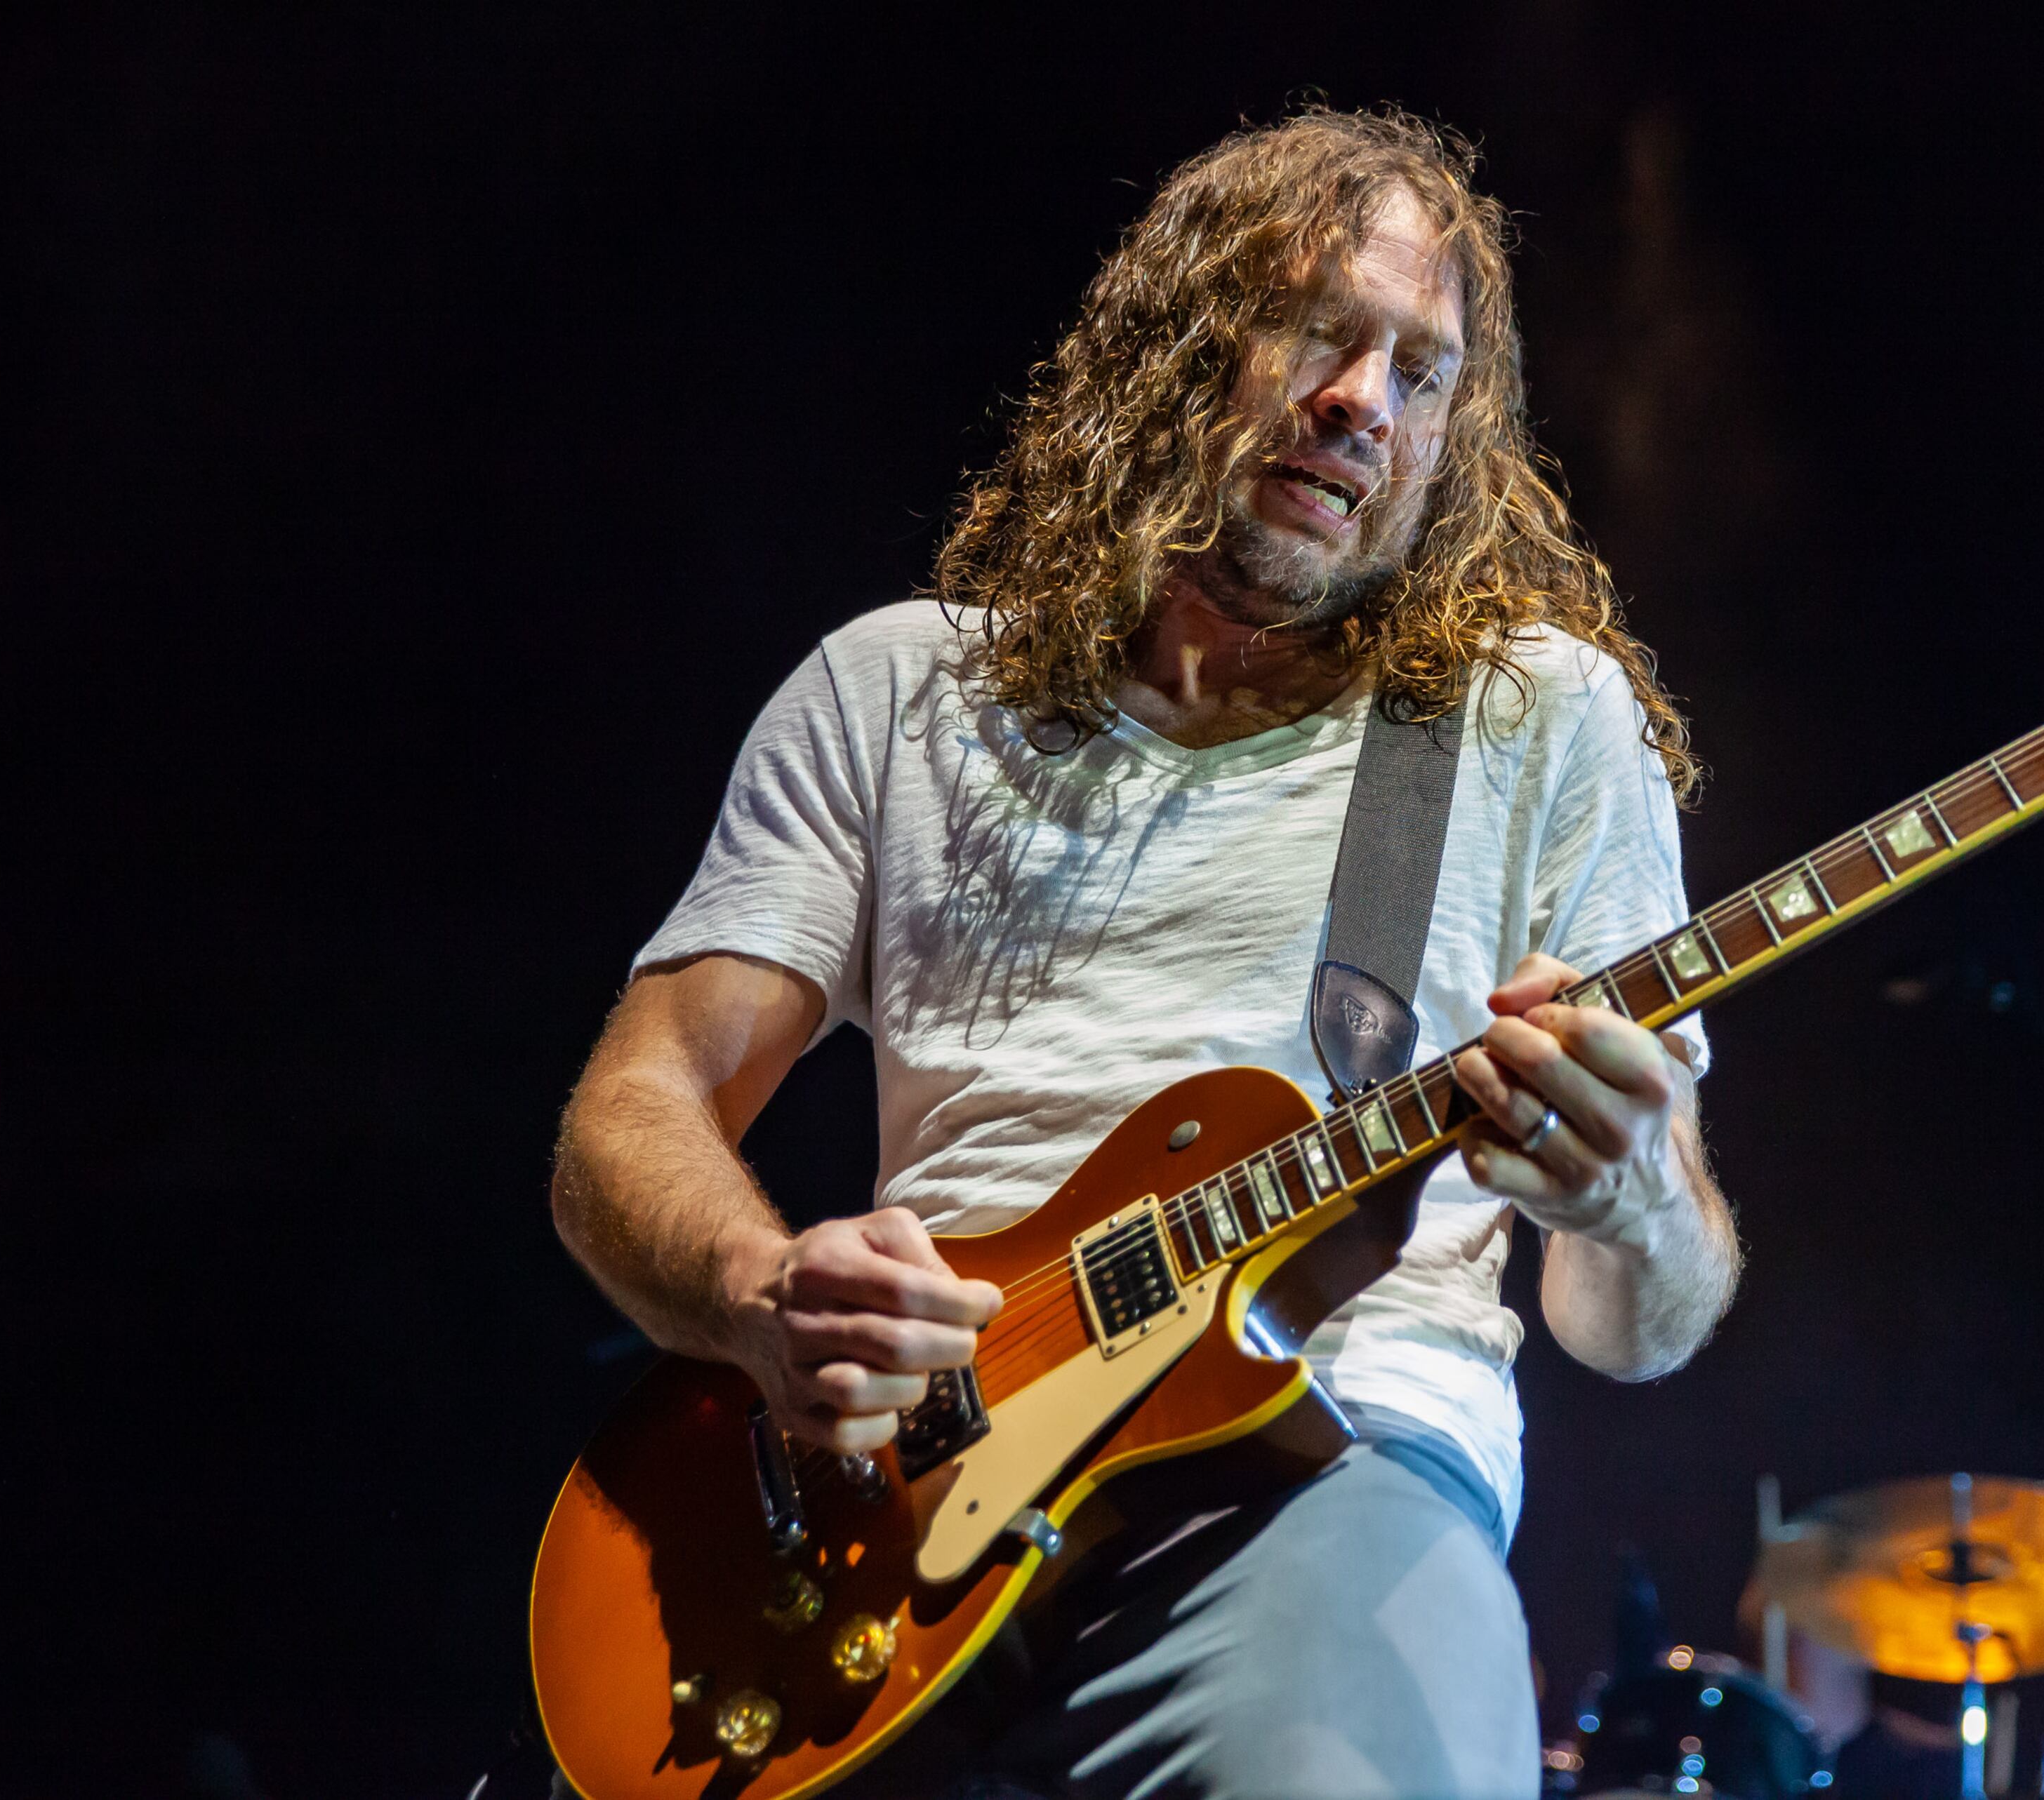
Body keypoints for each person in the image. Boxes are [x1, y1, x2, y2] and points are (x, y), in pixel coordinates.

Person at [549, 107, 1741, 1799]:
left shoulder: (1529, 720)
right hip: (882, 1506)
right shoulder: (901, 689)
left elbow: (1646, 1320)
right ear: (1177, 341)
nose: (1363, 401)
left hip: (1322, 1472)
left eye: (1422, 371)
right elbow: (635, 1106)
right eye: (1319, 329)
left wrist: (1623, 1194)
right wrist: (757, 1300)